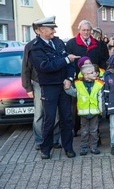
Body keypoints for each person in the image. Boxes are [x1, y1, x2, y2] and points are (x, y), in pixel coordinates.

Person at [28, 16, 80, 159]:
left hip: (64, 85)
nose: (53, 31)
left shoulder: (58, 42)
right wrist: (65, 59)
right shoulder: (35, 48)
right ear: (40, 30)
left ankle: (68, 148)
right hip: (49, 87)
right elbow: (45, 67)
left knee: (67, 118)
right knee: (49, 119)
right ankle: (46, 149)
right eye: (51, 28)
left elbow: (70, 63)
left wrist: (69, 78)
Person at [21, 35, 61, 151]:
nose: (52, 31)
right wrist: (28, 87)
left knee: (55, 113)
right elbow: (25, 67)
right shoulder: (31, 46)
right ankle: (40, 141)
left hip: (54, 82)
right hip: (38, 83)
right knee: (39, 113)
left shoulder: (55, 43)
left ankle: (54, 140)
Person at [66, 20, 103, 136]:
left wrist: (99, 74)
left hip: (94, 79)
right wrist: (71, 78)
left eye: (88, 30)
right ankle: (76, 128)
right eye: (84, 30)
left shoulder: (98, 44)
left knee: (94, 104)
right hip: (78, 80)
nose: (86, 32)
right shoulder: (71, 44)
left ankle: (95, 132)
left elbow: (103, 60)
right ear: (79, 30)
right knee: (77, 104)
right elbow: (68, 63)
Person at [64, 64, 104, 156]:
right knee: (84, 131)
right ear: (85, 75)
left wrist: (102, 111)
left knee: (94, 131)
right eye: (92, 72)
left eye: (94, 71)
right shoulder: (78, 84)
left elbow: (101, 98)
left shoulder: (99, 84)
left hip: (95, 112)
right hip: (83, 113)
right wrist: (67, 89)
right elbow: (74, 93)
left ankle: (94, 147)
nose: (95, 73)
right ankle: (84, 148)